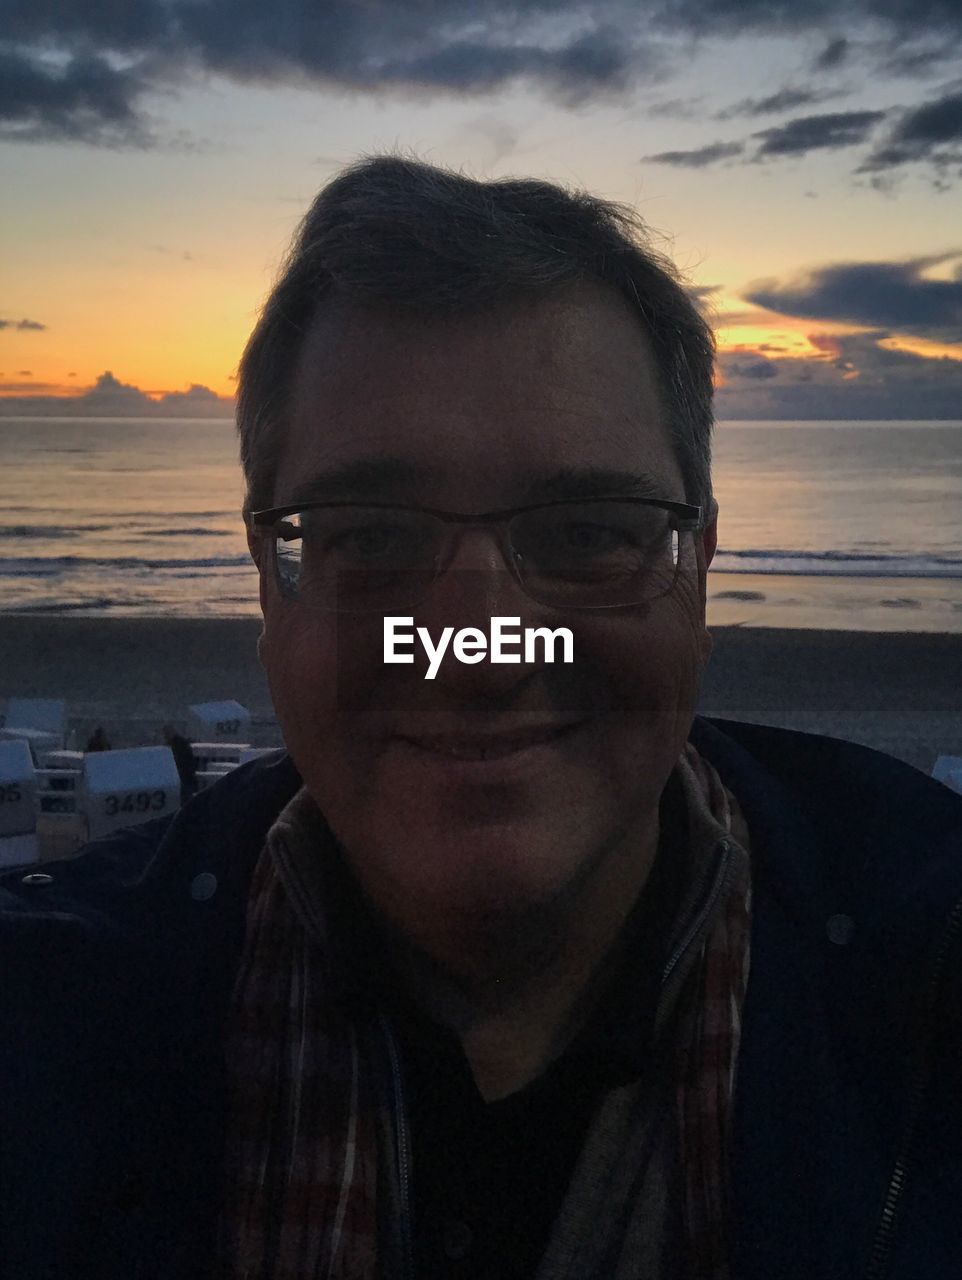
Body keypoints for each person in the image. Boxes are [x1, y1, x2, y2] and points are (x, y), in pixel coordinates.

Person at [2, 156, 961, 1280]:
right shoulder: (43, 1017)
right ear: (269, 589)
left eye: (587, 530)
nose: (479, 651)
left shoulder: (928, 972)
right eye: (368, 535)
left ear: (696, 568)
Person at [162, 722, 198, 805]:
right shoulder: (181, 743)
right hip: (184, 777)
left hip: (183, 778)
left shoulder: (177, 745)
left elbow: (184, 761)